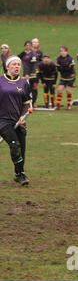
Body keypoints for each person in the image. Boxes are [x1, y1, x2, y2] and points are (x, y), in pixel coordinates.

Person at [0, 56, 32, 185]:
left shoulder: (23, 82)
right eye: (14, 64)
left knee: (21, 149)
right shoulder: (0, 81)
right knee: (14, 145)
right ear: (7, 66)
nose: (17, 66)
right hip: (3, 121)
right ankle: (21, 174)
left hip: (18, 121)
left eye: (19, 64)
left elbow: (26, 103)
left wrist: (22, 116)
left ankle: (19, 174)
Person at [55, 46, 76, 110]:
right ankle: (58, 105)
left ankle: (69, 105)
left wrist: (63, 68)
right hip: (63, 77)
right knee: (59, 90)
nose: (62, 52)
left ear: (66, 51)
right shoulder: (58, 59)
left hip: (70, 77)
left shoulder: (70, 58)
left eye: (64, 51)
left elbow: (71, 68)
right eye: (61, 51)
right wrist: (65, 67)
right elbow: (58, 69)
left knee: (68, 90)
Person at [29, 38, 43, 107]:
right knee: (29, 88)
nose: (35, 43)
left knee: (35, 87)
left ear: (38, 43)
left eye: (36, 42)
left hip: (37, 73)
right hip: (29, 73)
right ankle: (28, 102)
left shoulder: (40, 52)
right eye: (33, 42)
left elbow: (41, 61)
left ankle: (33, 102)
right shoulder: (29, 51)